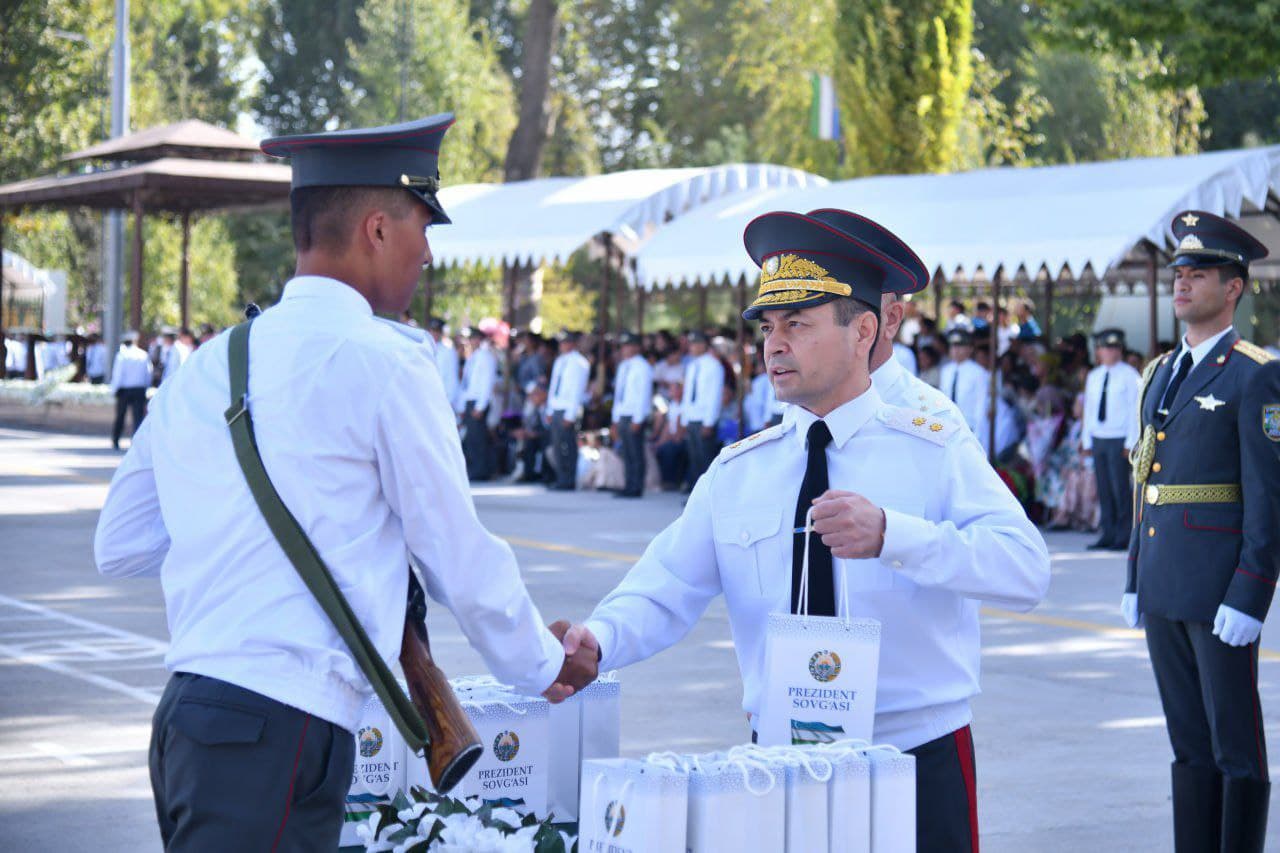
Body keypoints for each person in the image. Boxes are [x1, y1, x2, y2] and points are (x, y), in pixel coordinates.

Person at [94, 114, 595, 852]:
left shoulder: (210, 363)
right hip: (278, 728)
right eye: (423, 225)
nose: (428, 251)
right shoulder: (385, 361)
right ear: (377, 229)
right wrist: (544, 662)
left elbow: (121, 542)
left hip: (188, 719)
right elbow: (456, 551)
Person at [557, 209, 1049, 853]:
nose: (774, 344)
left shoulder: (931, 446)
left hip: (912, 753)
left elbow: (1025, 570)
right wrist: (598, 640)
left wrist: (895, 536)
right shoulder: (740, 470)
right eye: (768, 326)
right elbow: (666, 582)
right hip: (778, 765)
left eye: (798, 323)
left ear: (864, 329)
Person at [1124, 210, 1280, 853]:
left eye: (1198, 273)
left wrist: (1251, 594)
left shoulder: (1254, 372)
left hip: (1219, 589)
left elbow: (1268, 498)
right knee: (1188, 746)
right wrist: (1135, 574)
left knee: (1235, 748)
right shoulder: (1160, 372)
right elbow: (1146, 476)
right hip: (1164, 583)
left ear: (1235, 286)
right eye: (1178, 273)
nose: (1182, 283)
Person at [1080, 328, 1139, 550]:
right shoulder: (1094, 377)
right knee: (1103, 488)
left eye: (1113, 348)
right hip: (1099, 437)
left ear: (1120, 350)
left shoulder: (1130, 376)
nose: (1109, 352)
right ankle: (1108, 532)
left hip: (1118, 437)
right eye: (1105, 348)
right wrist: (1087, 441)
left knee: (1120, 489)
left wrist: (1130, 443)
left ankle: (1123, 535)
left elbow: (1135, 411)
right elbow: (1089, 409)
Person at [610, 331, 653, 498]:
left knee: (635, 451)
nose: (625, 349)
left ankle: (636, 486)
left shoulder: (642, 367)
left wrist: (638, 418)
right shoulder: (623, 366)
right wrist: (615, 417)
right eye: (623, 346)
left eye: (628, 345)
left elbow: (643, 395)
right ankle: (628, 483)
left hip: (635, 414)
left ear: (636, 347)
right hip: (623, 413)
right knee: (626, 451)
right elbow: (619, 394)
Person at [546, 330, 590, 490]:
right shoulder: (560, 361)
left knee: (568, 446)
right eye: (561, 343)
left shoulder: (579, 362)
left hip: (568, 409)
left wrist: (571, 414)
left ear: (572, 343)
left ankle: (569, 479)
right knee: (557, 446)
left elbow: (577, 391)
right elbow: (553, 387)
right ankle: (561, 477)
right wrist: (550, 409)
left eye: (565, 342)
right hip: (557, 407)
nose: (562, 345)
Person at [681, 329, 725, 488]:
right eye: (691, 344)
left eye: (695, 344)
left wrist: (709, 421)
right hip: (692, 417)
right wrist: (684, 416)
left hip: (704, 419)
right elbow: (688, 393)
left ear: (703, 345)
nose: (692, 347)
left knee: (706, 459)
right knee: (695, 459)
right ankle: (695, 496)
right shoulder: (693, 365)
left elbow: (714, 396)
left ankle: (708, 496)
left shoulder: (713, 366)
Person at [459, 325, 498, 481]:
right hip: (470, 401)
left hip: (478, 402)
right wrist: (462, 405)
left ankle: (481, 470)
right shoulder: (473, 357)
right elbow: (466, 384)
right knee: (471, 439)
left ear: (479, 339)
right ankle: (474, 468)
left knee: (478, 439)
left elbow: (486, 383)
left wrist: (480, 405)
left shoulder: (485, 356)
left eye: (473, 338)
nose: (471, 342)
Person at [938, 327, 990, 432]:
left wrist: (977, 432)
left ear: (970, 349)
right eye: (953, 346)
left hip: (969, 427)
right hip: (947, 425)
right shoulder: (945, 371)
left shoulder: (979, 372)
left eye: (960, 346)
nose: (955, 350)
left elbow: (981, 405)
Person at [109, 330, 151, 450]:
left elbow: (118, 374)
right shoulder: (143, 354)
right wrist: (145, 387)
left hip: (124, 390)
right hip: (139, 389)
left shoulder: (122, 355)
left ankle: (116, 440)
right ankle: (137, 443)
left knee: (120, 416)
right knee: (138, 418)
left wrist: (114, 389)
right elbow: (148, 373)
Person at [515, 379, 552, 483]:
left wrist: (535, 434)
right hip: (538, 436)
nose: (531, 398)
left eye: (535, 395)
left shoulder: (550, 407)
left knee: (545, 444)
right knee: (527, 443)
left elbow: (550, 429)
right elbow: (531, 424)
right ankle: (528, 475)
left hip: (547, 437)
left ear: (544, 394)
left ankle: (548, 476)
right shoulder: (535, 408)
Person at [426, 317, 461, 411]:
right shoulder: (422, 349)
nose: (434, 334)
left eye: (437, 331)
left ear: (441, 333)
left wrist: (450, 401)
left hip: (441, 399)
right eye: (432, 331)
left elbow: (452, 378)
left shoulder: (448, 352)